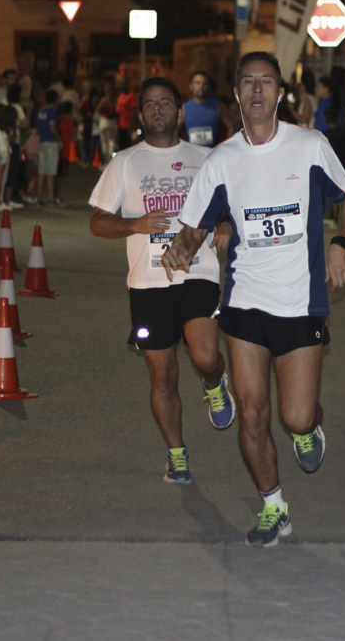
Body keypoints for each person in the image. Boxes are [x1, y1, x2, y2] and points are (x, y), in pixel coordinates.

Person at [161, 51, 345, 547]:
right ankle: (275, 507)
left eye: (266, 82)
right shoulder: (223, 159)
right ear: (236, 94)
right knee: (252, 414)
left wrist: (340, 243)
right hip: (245, 302)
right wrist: (180, 250)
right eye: (247, 82)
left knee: (294, 416)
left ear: (279, 93)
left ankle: (310, 426)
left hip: (300, 303)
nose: (256, 90)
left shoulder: (310, 145)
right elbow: (194, 226)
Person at [88, 76, 235, 485]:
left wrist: (224, 224)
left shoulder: (206, 158)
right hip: (147, 282)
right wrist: (135, 223)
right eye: (150, 104)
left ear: (180, 112)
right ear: (139, 115)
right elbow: (97, 222)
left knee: (205, 354)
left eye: (165, 103)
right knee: (163, 373)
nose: (157, 109)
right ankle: (177, 453)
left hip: (197, 271)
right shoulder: (125, 163)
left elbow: (229, 206)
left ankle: (213, 381)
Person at [182, 71, 230, 147]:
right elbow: (174, 131)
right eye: (197, 83)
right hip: (191, 154)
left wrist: (224, 147)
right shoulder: (184, 108)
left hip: (212, 153)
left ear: (208, 86)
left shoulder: (218, 106)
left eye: (204, 83)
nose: (201, 86)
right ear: (191, 86)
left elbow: (231, 127)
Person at [36, 89, 61, 205]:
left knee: (42, 171)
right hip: (51, 143)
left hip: (42, 142)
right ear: (56, 99)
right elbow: (52, 128)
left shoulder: (41, 111)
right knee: (51, 172)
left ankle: (39, 197)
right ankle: (51, 198)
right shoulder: (52, 112)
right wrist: (59, 138)